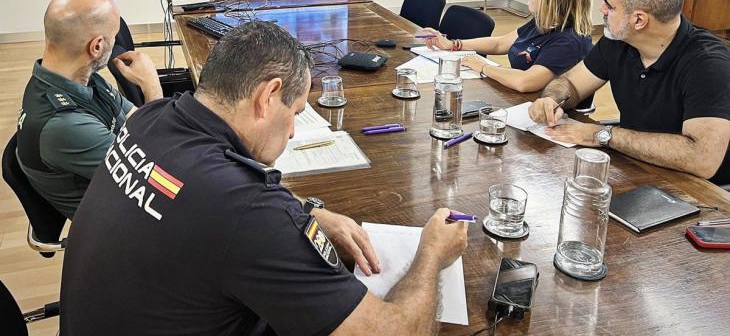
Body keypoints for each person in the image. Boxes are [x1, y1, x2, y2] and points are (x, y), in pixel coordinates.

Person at [60, 21, 468, 335]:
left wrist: (308, 213)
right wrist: (431, 255)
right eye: (295, 112)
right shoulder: (248, 213)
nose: (291, 132)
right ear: (268, 96)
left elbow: (195, 198)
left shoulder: (150, 119)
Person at [528, 0, 730, 184]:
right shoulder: (618, 41)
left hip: (697, 189)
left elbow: (702, 159)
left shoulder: (708, 64)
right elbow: (571, 83)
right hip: (636, 163)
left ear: (639, 20)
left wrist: (603, 135)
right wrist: (552, 99)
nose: (601, 10)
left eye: (609, 5)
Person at [15, 0, 163, 220]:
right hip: (121, 221)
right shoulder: (65, 125)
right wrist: (152, 87)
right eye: (114, 36)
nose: (117, 44)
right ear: (97, 47)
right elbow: (155, 172)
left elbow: (134, 117)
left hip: (124, 190)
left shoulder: (79, 78)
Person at [424, 0, 594, 93]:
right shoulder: (545, 22)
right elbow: (501, 43)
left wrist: (483, 67)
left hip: (544, 113)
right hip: (519, 98)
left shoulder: (569, 41)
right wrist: (453, 44)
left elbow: (525, 82)